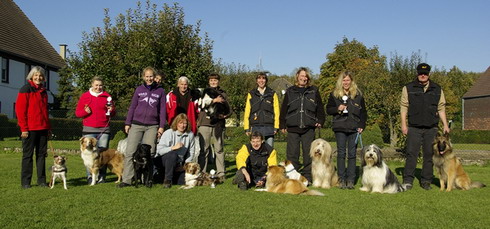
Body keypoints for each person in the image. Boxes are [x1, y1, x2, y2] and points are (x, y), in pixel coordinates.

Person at [400, 63, 450, 190]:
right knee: (412, 154)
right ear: (417, 73)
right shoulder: (408, 87)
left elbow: (441, 108)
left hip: (431, 127)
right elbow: (404, 107)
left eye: (425, 73)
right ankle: (408, 180)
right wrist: (404, 125)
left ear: (429, 74)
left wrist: (445, 125)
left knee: (429, 155)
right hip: (414, 127)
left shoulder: (437, 89)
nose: (423, 75)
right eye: (421, 73)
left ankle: (426, 181)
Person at [118, 67, 166, 188]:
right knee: (130, 152)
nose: (149, 78)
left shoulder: (160, 91)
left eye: (151, 76)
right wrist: (128, 123)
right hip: (137, 124)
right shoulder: (139, 89)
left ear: (154, 77)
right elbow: (133, 107)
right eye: (147, 76)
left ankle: (147, 180)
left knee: (150, 153)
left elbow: (162, 110)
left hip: (152, 126)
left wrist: (161, 126)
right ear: (143, 77)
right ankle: (127, 179)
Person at [279, 67, 325, 183]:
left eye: (306, 76)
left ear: (308, 78)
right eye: (302, 76)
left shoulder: (313, 91)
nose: (303, 78)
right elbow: (284, 109)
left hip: (308, 127)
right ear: (297, 77)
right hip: (293, 127)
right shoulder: (290, 91)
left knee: (308, 155)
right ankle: (291, 177)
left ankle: (308, 178)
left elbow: (320, 108)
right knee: (292, 155)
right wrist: (282, 124)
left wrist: (320, 120)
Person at [326, 71, 367, 189]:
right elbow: (328, 110)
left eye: (348, 80)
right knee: (341, 153)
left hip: (354, 127)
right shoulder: (334, 94)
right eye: (344, 80)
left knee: (352, 154)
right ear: (341, 81)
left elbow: (363, 112)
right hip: (340, 127)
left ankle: (350, 180)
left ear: (352, 81)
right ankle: (341, 179)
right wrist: (337, 108)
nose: (346, 82)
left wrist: (362, 125)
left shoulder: (358, 95)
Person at [75, 76, 116, 184]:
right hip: (89, 129)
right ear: (92, 85)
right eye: (96, 85)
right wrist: (85, 112)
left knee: (102, 155)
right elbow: (78, 113)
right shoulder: (85, 96)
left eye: (100, 85)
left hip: (104, 129)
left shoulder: (107, 97)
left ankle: (102, 177)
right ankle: (90, 177)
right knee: (89, 155)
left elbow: (113, 113)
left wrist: (111, 110)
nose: (98, 87)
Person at [15, 66, 51, 189]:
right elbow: (20, 110)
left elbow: (45, 112)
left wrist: (48, 128)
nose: (38, 77)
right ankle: (26, 182)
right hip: (29, 129)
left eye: (40, 75)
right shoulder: (26, 89)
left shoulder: (44, 91)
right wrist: (23, 128)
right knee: (27, 156)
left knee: (41, 155)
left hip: (42, 128)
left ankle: (41, 181)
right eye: (36, 75)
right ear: (31, 76)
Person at [197, 73, 231, 180]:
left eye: (215, 80)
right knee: (204, 149)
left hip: (218, 124)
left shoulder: (223, 94)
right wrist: (213, 101)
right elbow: (199, 104)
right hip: (204, 123)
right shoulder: (203, 92)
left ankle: (221, 173)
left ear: (218, 81)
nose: (213, 82)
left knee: (219, 149)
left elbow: (229, 108)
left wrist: (225, 115)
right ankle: (202, 173)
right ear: (209, 81)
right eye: (211, 80)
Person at [155, 113, 195, 188]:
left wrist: (184, 166)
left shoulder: (190, 135)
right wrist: (173, 148)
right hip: (163, 160)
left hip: (178, 163)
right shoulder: (168, 133)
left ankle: (170, 177)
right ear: (176, 123)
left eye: (185, 123)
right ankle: (168, 180)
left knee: (182, 182)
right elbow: (159, 151)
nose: (183, 126)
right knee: (172, 155)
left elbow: (191, 152)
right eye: (180, 123)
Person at [243, 72, 280, 147]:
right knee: (257, 151)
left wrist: (276, 126)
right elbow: (247, 111)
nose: (261, 81)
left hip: (269, 127)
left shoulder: (272, 93)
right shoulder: (251, 94)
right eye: (259, 78)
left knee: (269, 150)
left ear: (266, 80)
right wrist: (246, 128)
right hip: (255, 127)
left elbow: (277, 111)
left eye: (263, 78)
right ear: (256, 81)